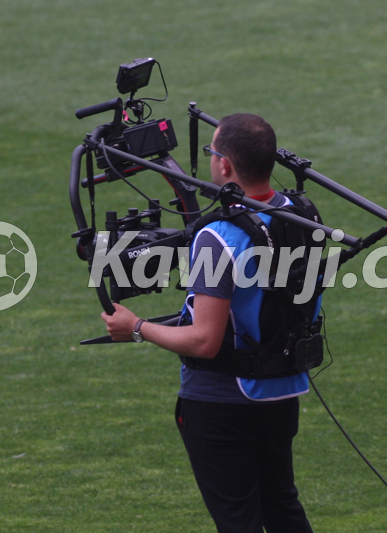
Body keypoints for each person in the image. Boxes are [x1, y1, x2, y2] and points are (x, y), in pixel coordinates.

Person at [101, 113, 314, 533]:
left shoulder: (218, 237)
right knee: (283, 509)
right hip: (281, 392)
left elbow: (204, 341)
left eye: (212, 152)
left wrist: (136, 327)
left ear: (225, 166)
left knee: (239, 521)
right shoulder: (300, 211)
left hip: (222, 404)